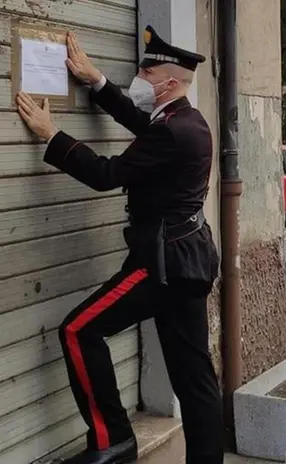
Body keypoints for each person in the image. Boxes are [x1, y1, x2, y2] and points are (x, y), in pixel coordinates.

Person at [15, 26, 223, 464]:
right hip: (189, 262)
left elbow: (107, 175)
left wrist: (53, 135)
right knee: (195, 380)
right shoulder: (185, 119)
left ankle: (113, 439)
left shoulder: (171, 130)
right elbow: (139, 121)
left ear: (168, 83)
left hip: (161, 266)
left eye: (146, 73)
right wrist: (97, 81)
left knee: (78, 330)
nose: (140, 79)